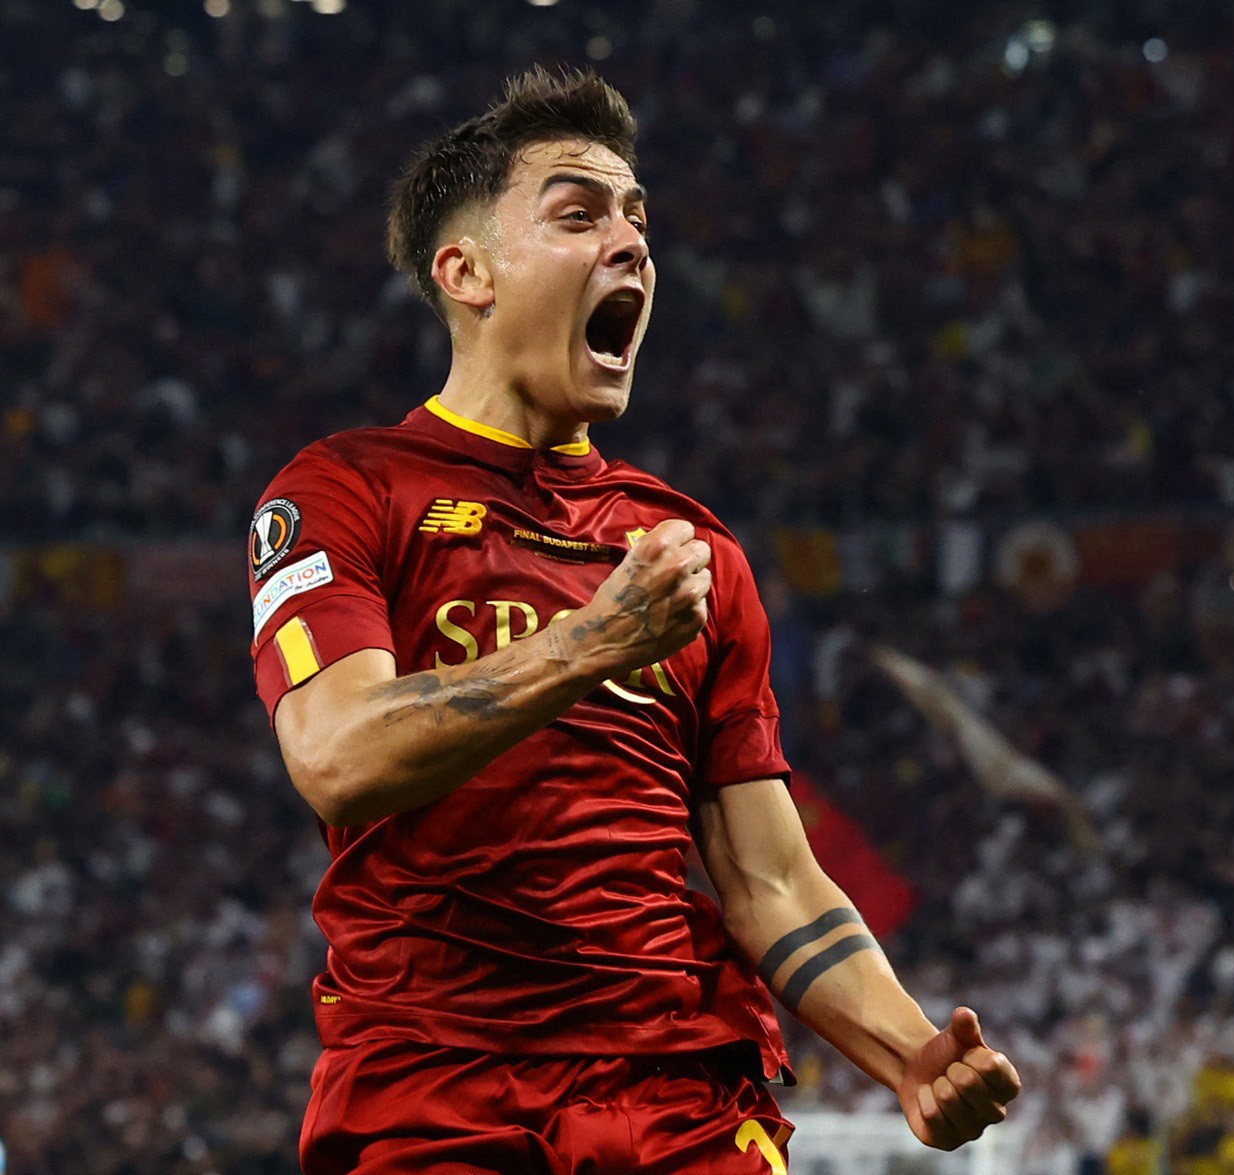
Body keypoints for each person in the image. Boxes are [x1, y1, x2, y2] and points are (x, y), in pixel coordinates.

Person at [246, 66, 1021, 1174]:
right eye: (579, 216)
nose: (632, 245)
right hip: (435, 1088)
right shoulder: (344, 490)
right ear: (465, 272)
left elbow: (768, 878)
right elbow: (337, 754)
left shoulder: (687, 548)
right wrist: (588, 646)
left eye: (638, 220)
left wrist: (906, 1052)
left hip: (677, 1092)